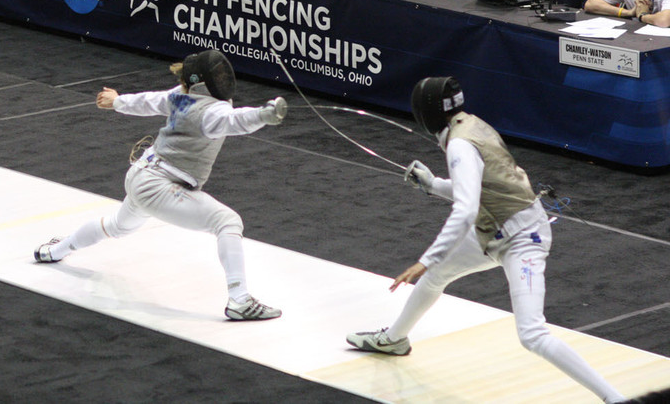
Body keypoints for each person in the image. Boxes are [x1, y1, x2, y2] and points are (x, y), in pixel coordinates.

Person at [346, 77, 627, 403]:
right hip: (493, 231)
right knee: (438, 276)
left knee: (532, 334)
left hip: (523, 240)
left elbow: (465, 209)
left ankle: (615, 399)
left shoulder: (460, 144)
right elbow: (479, 189)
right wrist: (434, 184)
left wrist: (426, 258)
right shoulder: (473, 125)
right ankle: (395, 339)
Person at [33, 49, 288, 321]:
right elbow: (235, 120)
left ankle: (54, 250)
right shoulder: (211, 112)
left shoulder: (180, 96)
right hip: (160, 185)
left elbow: (149, 101)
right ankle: (239, 300)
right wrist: (265, 115)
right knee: (227, 222)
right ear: (206, 82)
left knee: (117, 226)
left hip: (142, 175)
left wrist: (118, 101)